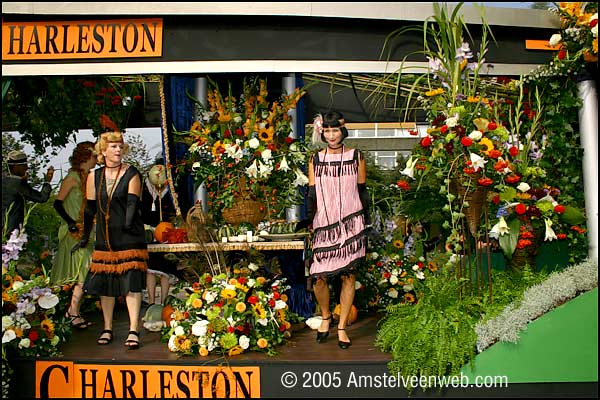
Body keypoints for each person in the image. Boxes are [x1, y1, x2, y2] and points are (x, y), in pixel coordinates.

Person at [72, 131, 148, 349]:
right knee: (107, 285)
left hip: (129, 237)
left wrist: (124, 230)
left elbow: (132, 205)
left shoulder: (132, 173)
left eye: (120, 146)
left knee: (131, 283)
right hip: (105, 238)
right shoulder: (94, 176)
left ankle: (133, 329)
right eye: (113, 146)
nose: (118, 150)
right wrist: (85, 236)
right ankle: (107, 328)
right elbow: (89, 210)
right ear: (103, 151)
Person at [305, 110, 369, 349]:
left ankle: (341, 326)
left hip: (351, 224)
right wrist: (310, 223)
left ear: (343, 131)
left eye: (336, 130)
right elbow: (311, 194)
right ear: (322, 132)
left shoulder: (356, 156)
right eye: (328, 130)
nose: (332, 135)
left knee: (348, 276)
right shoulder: (316, 159)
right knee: (318, 277)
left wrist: (367, 222)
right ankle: (325, 317)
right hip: (324, 224)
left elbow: (362, 191)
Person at [50, 142, 98, 329]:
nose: (97, 160)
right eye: (95, 156)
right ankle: (71, 312)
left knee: (84, 272)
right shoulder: (72, 177)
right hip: (73, 232)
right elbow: (57, 203)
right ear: (86, 157)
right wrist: (70, 222)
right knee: (83, 271)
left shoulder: (88, 177)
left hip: (86, 230)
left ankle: (72, 311)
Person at [141, 158, 178, 305]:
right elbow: (142, 211)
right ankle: (151, 301)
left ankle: (163, 301)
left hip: (168, 234)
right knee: (150, 270)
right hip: (150, 233)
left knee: (166, 270)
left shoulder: (171, 191)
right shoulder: (146, 190)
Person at [2, 150, 54, 236]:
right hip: (10, 232)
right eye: (24, 165)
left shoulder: (6, 180)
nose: (26, 167)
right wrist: (47, 182)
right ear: (16, 166)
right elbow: (41, 197)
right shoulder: (18, 183)